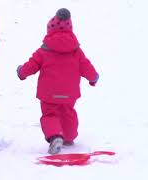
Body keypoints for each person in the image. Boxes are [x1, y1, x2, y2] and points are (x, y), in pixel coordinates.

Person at [16, 8, 99, 155]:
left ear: (49, 30)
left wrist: (21, 72)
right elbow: (86, 66)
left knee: (50, 115)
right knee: (68, 113)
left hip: (48, 93)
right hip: (69, 93)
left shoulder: (44, 50)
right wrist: (93, 78)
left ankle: (55, 136)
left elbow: (31, 65)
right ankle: (68, 137)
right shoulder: (76, 51)